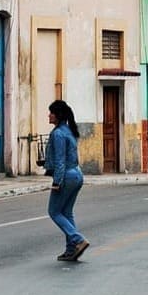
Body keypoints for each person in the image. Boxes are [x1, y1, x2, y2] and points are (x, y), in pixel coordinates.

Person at [44, 99, 89, 262]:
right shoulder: (68, 130)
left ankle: (78, 239)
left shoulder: (58, 134)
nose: (49, 115)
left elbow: (60, 160)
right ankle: (71, 249)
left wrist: (57, 182)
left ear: (58, 115)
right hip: (76, 174)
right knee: (67, 212)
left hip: (66, 176)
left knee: (54, 211)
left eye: (51, 112)